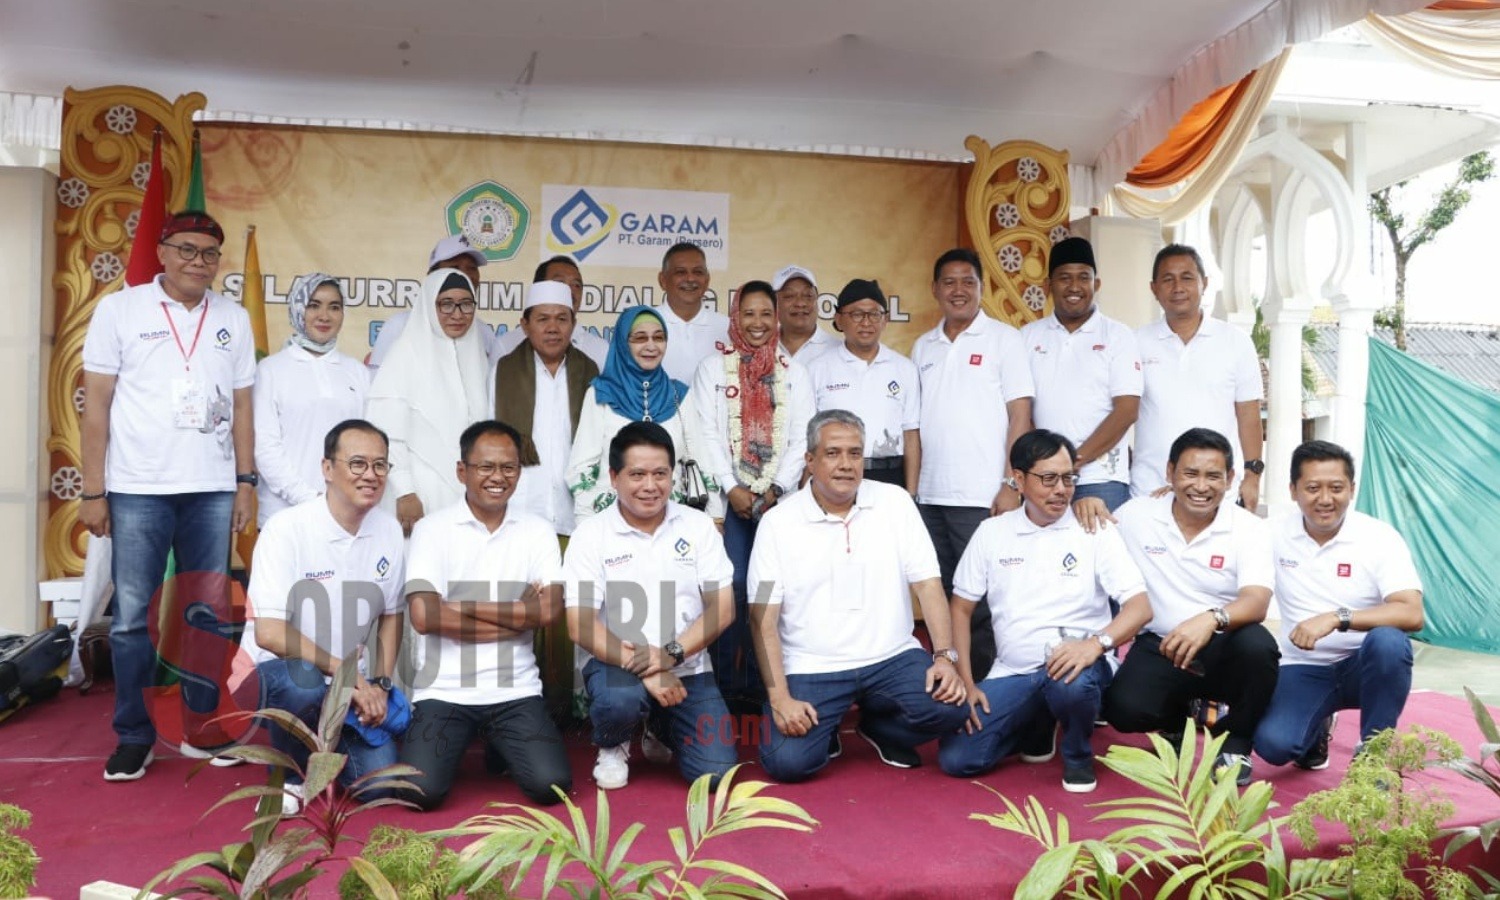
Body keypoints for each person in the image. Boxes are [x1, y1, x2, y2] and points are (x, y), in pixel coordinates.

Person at [80, 210, 257, 781]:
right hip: (138, 489)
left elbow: (244, 408)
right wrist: (92, 490)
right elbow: (97, 406)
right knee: (132, 619)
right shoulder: (120, 310)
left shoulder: (233, 316)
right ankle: (133, 737)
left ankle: (202, 729)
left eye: (209, 254)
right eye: (186, 250)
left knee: (205, 615)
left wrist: (246, 482)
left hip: (210, 488)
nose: (197, 262)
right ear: (161, 251)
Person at [749, 410, 969, 782]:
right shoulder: (777, 524)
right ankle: (827, 725)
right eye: (833, 453)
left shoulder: (895, 503)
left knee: (950, 708)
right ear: (810, 460)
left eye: (855, 454)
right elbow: (762, 619)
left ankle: (879, 728)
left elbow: (929, 585)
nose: (846, 465)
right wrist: (780, 698)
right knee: (787, 762)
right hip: (812, 664)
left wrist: (945, 657)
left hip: (891, 656)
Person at [937, 429, 1149, 792]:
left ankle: (1078, 755)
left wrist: (1095, 645)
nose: (1061, 489)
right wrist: (968, 683)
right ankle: (1038, 720)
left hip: (1079, 665)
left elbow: (1140, 608)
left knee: (1071, 682)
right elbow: (960, 608)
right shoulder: (992, 533)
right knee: (959, 758)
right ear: (1018, 479)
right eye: (1048, 478)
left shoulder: (1092, 528)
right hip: (1014, 671)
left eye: (1068, 478)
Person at [399, 420, 572, 809]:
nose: (499, 477)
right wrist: (518, 614)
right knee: (419, 794)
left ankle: (501, 745)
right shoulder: (432, 530)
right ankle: (484, 744)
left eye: (509, 468)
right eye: (486, 467)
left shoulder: (537, 531)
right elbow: (425, 617)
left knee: (551, 786)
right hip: (443, 690)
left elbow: (548, 611)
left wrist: (461, 607)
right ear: (462, 471)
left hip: (515, 689)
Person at [234, 419, 404, 813]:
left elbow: (392, 615)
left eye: (380, 465)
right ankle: (291, 777)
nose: (371, 475)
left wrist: (379, 682)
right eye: (357, 463)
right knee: (303, 683)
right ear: (327, 469)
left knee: (379, 787)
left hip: (348, 684)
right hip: (276, 672)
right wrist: (350, 677)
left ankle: (329, 739)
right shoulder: (286, 529)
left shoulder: (389, 530)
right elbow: (270, 634)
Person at [564, 421, 738, 789]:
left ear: (673, 476)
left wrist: (669, 656)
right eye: (637, 474)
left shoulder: (698, 526)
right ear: (613, 477)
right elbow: (579, 624)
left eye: (660, 474)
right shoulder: (590, 535)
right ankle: (613, 743)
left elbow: (723, 609)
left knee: (715, 775)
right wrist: (649, 668)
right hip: (616, 663)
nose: (650, 485)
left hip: (687, 665)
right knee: (619, 701)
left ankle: (659, 724)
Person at [1101, 428, 1279, 786]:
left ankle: (1237, 741)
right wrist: (1085, 505)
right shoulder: (1137, 515)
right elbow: (1094, 534)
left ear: (1230, 479)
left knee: (1259, 647)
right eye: (1190, 473)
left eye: (1213, 476)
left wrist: (1211, 619)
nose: (1201, 486)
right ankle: (1176, 722)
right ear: (1169, 473)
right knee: (1123, 710)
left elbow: (1257, 601)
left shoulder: (1249, 528)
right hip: (1161, 643)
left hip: (1224, 642)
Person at [1253, 440, 1424, 770]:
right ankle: (1315, 731)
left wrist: (1337, 618)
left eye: (1336, 488)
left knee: (1389, 641)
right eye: (1313, 488)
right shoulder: (1270, 533)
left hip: (1365, 665)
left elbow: (1412, 611)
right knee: (1275, 746)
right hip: (1303, 665)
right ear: (1293, 490)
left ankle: (1374, 753)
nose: (1326, 499)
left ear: (1352, 489)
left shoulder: (1378, 536)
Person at [912, 247, 1034, 684]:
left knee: (984, 601)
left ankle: (991, 690)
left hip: (984, 497)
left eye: (968, 282)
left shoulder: (1006, 340)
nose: (958, 290)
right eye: (949, 282)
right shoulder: (923, 345)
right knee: (942, 599)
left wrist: (1010, 482)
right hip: (931, 497)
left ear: (982, 288)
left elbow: (1021, 415)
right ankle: (954, 685)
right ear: (935, 290)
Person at [691, 280, 814, 712]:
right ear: (734, 317)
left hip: (779, 504)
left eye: (766, 314)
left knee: (776, 589)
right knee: (733, 587)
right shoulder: (712, 369)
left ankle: (771, 687)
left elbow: (802, 436)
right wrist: (732, 488)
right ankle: (728, 685)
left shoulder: (794, 372)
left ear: (776, 317)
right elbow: (705, 432)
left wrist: (777, 487)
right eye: (749, 314)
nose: (758, 323)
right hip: (730, 504)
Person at [1131, 244, 1264, 509]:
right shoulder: (1135, 342)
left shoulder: (1235, 342)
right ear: (1154, 288)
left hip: (1215, 491)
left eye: (1187, 278)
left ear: (1204, 283)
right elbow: (1121, 412)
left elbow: (1248, 413)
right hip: (1149, 489)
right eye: (1167, 279)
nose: (1177, 287)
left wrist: (1252, 474)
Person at [1020, 237, 1140, 525]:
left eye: (1083, 278)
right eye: (1064, 278)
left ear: (1096, 284)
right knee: (1045, 561)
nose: (1075, 287)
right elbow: (1021, 410)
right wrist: (1047, 465)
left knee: (1099, 561)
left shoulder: (1118, 336)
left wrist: (1074, 461)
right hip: (1043, 480)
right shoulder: (1027, 337)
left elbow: (1127, 410)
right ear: (1048, 286)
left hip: (1102, 479)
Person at [365, 268, 490, 536]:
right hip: (419, 494)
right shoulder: (405, 354)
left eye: (466, 304)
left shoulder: (476, 354)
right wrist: (405, 491)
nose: (457, 314)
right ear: (428, 306)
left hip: (467, 492)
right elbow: (385, 435)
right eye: (446, 304)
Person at [566, 305, 714, 522]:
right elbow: (582, 466)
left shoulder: (679, 394)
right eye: (640, 338)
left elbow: (702, 461)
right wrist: (586, 524)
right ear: (623, 344)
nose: (651, 346)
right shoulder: (601, 393)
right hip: (611, 521)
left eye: (659, 337)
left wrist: (716, 518)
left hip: (671, 523)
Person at [253, 273, 371, 525]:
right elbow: (265, 447)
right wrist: (311, 500)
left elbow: (368, 446)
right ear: (297, 309)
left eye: (334, 307)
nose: (324, 316)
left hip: (347, 513)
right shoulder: (271, 369)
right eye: (313, 305)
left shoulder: (357, 372)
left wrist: (343, 500)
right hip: (284, 515)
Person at [491, 281, 602, 537]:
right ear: (525, 325)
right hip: (520, 510)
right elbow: (492, 440)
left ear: (573, 324)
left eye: (562, 319)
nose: (553, 328)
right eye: (543, 319)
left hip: (575, 513)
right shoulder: (503, 372)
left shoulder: (590, 371)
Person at [807, 278, 922, 492]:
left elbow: (911, 435)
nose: (866, 322)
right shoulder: (818, 369)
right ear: (839, 319)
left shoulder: (904, 369)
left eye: (874, 314)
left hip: (889, 475)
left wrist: (911, 493)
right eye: (857, 314)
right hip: (834, 475)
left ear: (885, 319)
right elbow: (807, 436)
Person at [367, 234, 499, 371]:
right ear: (432, 275)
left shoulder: (484, 331)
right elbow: (378, 384)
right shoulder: (400, 326)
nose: (465, 275)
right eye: (455, 267)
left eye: (472, 268)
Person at [491, 255, 609, 367]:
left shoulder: (600, 350)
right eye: (559, 283)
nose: (569, 291)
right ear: (539, 287)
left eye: (576, 285)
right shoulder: (505, 345)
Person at [656, 242, 730, 384]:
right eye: (680, 272)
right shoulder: (642, 325)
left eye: (698, 272)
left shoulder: (727, 328)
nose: (690, 279)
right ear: (663, 280)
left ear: (707, 280)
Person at [773, 264, 837, 365]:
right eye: (789, 296)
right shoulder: (760, 348)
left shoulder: (837, 350)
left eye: (808, 295)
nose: (800, 303)